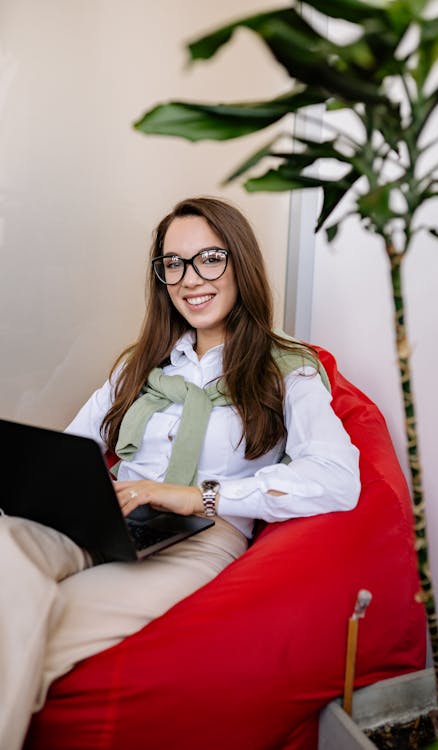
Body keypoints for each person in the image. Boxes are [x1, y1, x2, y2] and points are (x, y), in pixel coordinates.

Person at [0, 196, 361, 750]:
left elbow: (338, 478)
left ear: (240, 263)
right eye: (174, 263)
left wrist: (199, 497)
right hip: (105, 509)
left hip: (201, 537)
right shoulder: (139, 363)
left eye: (209, 259)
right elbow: (75, 445)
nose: (191, 278)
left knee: (43, 625)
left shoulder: (288, 370)